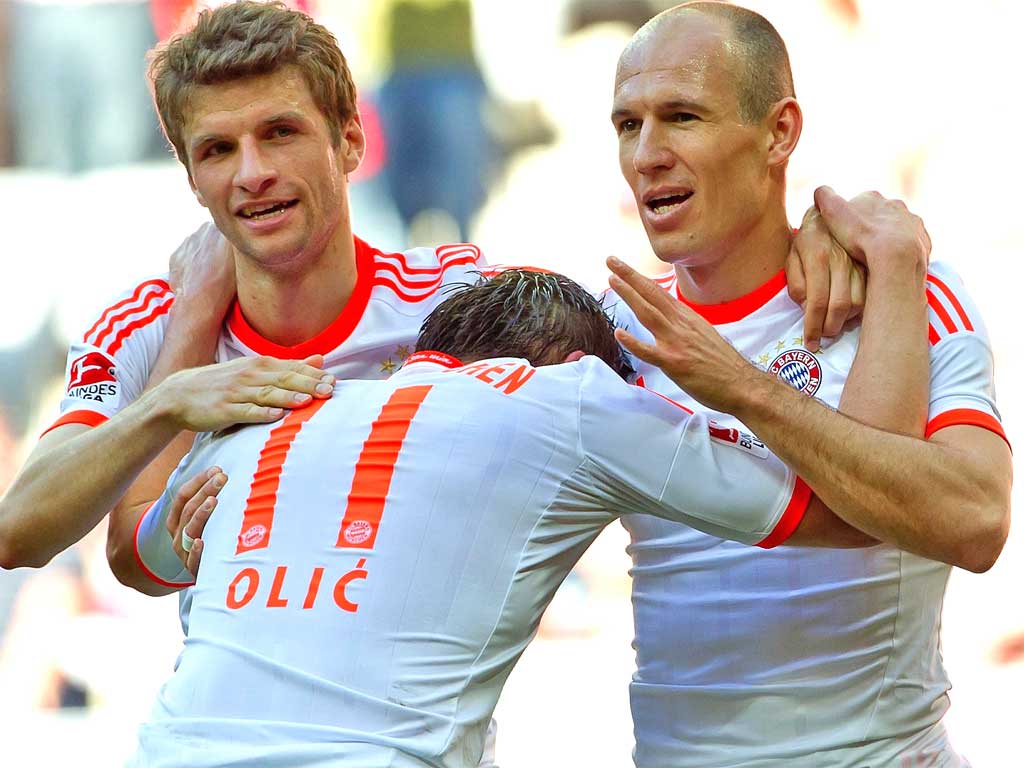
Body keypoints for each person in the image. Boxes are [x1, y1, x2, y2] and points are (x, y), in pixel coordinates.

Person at [128, 269, 869, 768]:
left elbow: (139, 556)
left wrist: (190, 321)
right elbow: (859, 508)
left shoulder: (261, 414)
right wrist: (893, 272)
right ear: (580, 363)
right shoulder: (572, 397)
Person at [601, 3, 1011, 766]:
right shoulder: (612, 334)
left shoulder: (908, 293)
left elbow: (976, 519)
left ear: (779, 132)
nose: (647, 154)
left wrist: (744, 388)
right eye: (628, 125)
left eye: (682, 116)